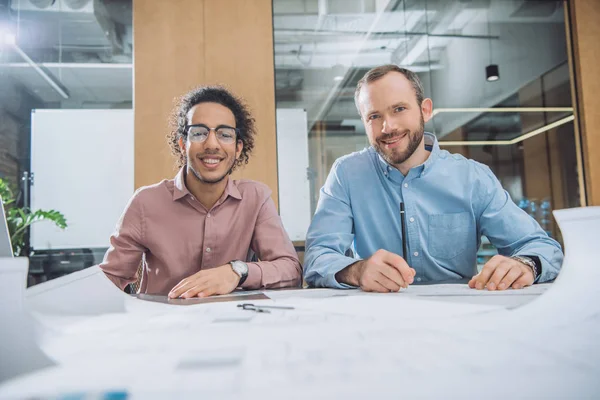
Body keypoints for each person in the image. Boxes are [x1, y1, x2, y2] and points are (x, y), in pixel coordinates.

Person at [304, 64, 563, 293]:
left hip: (461, 318)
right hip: (379, 321)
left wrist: (525, 264)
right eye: (374, 116)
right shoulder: (347, 174)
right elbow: (317, 258)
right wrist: (357, 271)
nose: (388, 127)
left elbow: (542, 247)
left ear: (425, 110)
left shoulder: (472, 177)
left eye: (399, 109)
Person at [99, 86, 302, 297]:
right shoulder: (145, 202)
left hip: (231, 324)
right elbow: (109, 280)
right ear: (182, 145)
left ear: (238, 148)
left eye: (224, 134)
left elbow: (291, 270)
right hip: (161, 325)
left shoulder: (256, 198)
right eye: (199, 133)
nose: (212, 144)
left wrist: (237, 271)